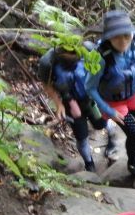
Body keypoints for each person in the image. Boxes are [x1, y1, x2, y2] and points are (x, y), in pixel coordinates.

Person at [85, 10, 135, 177]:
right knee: (134, 133)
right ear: (108, 37)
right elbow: (89, 87)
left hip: (134, 93)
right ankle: (133, 162)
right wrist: (109, 110)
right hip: (114, 102)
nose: (123, 41)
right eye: (116, 37)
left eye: (126, 35)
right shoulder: (100, 57)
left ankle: (128, 140)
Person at [37, 42, 118, 172]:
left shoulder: (88, 50)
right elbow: (47, 85)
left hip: (91, 96)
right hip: (69, 101)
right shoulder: (48, 62)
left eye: (76, 54)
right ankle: (89, 165)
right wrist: (59, 104)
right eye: (70, 55)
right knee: (81, 136)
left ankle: (112, 139)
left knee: (101, 123)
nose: (74, 57)